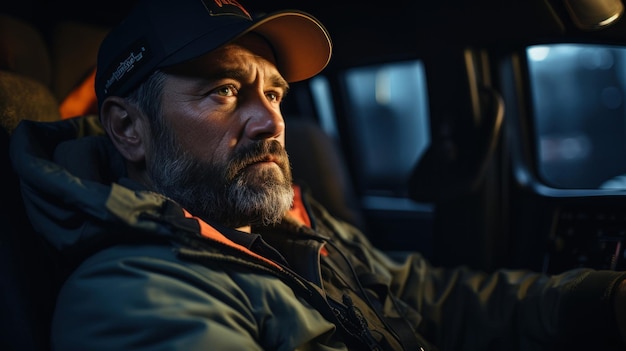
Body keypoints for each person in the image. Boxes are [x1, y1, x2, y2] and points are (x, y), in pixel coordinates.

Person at [8, 0, 626, 350]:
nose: (270, 124)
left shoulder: (279, 222)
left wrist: (601, 301)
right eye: (224, 90)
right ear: (128, 130)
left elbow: (431, 297)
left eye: (274, 95)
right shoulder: (131, 299)